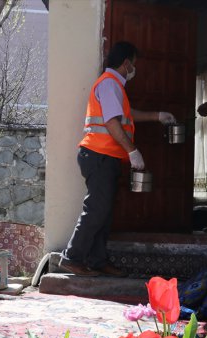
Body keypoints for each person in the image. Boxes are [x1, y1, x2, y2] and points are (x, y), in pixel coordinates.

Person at [58, 41, 176, 277]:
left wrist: (157, 116)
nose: (134, 69)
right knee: (96, 210)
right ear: (126, 63)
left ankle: (97, 260)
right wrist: (133, 151)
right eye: (134, 64)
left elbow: (126, 116)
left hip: (103, 157)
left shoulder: (113, 85)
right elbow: (112, 122)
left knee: (103, 212)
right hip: (99, 156)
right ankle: (72, 258)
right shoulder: (110, 84)